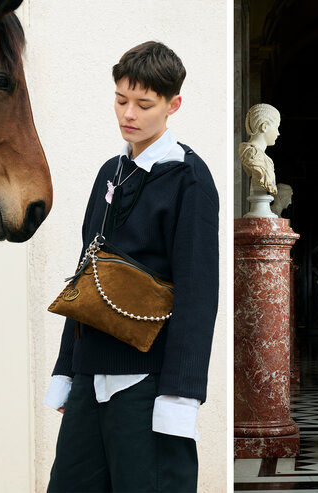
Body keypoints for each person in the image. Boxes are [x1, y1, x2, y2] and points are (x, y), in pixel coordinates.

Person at [43, 41, 219, 491]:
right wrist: (67, 369)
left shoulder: (189, 178)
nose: (129, 114)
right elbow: (87, 277)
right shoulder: (110, 171)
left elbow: (198, 294)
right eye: (121, 100)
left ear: (173, 104)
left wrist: (181, 396)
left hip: (148, 383)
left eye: (144, 104)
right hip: (90, 377)